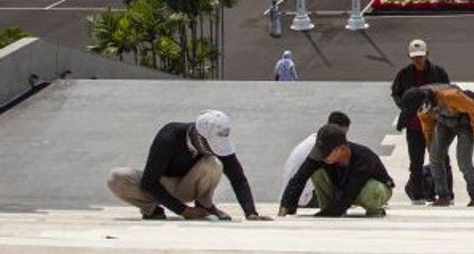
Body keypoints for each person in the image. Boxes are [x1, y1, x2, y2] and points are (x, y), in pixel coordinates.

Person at [107, 110, 270, 221]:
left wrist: (251, 212)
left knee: (213, 163)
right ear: (199, 137)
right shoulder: (169, 136)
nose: (216, 148)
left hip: (188, 186)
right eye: (212, 144)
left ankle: (205, 206)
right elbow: (149, 182)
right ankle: (152, 210)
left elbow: (238, 178)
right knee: (116, 178)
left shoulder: (217, 141)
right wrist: (184, 211)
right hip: (162, 184)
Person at [278, 124, 394, 218]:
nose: (323, 157)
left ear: (341, 149)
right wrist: (286, 207)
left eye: (327, 153)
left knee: (373, 189)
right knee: (317, 173)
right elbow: (299, 177)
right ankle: (329, 208)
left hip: (373, 189)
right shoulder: (322, 156)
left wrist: (324, 215)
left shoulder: (363, 157)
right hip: (344, 187)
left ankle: (374, 211)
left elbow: (350, 191)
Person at [399, 83, 474, 207]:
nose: (420, 111)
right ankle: (443, 197)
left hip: (464, 123)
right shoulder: (421, 107)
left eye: (419, 108)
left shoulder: (450, 95)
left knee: (464, 162)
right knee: (434, 159)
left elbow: (473, 108)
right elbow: (427, 125)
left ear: (425, 100)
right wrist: (430, 144)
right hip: (444, 123)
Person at [390, 38, 452, 203]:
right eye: (414, 56)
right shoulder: (404, 74)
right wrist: (405, 107)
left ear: (427, 54)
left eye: (421, 56)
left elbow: (449, 93)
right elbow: (396, 93)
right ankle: (417, 196)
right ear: (409, 57)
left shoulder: (439, 72)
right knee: (415, 161)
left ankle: (447, 194)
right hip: (414, 126)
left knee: (441, 159)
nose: (418, 59)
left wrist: (437, 110)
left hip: (436, 125)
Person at [280, 112, 351, 213]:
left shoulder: (317, 140)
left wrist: (285, 205)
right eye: (343, 134)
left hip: (292, 195)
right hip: (304, 198)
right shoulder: (322, 147)